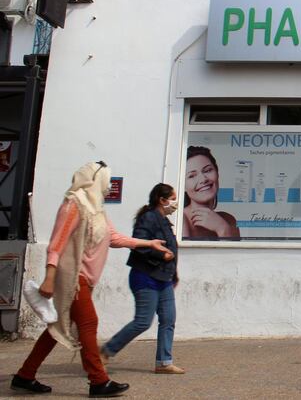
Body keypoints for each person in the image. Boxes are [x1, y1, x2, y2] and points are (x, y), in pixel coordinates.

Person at [10, 161, 172, 397]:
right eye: (105, 180)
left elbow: (113, 238)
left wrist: (149, 244)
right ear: (96, 180)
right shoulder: (74, 204)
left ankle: (25, 376)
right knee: (88, 324)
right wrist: (49, 277)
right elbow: (57, 243)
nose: (107, 185)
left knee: (56, 328)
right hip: (73, 278)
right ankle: (98, 380)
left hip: (85, 279)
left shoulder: (97, 209)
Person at [101, 183, 184, 374]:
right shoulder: (148, 218)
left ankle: (164, 362)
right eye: (172, 198)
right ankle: (106, 351)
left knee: (168, 318)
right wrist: (160, 256)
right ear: (161, 200)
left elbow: (171, 250)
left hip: (164, 278)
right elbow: (139, 244)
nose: (175, 203)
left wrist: (174, 274)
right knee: (143, 321)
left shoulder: (165, 221)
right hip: (146, 276)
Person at [182, 146, 240, 240]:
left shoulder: (229, 220)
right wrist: (223, 230)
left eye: (208, 170)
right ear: (182, 185)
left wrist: (223, 228)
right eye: (191, 176)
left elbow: (236, 255)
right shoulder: (180, 219)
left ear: (217, 173)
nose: (203, 179)